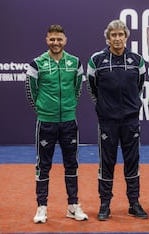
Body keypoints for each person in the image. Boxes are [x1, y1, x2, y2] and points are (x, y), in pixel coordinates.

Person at [25, 24, 88, 223]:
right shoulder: (36, 64)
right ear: (46, 40)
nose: (56, 43)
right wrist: (44, 110)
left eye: (59, 39)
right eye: (52, 39)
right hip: (46, 123)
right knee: (43, 166)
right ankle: (41, 207)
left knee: (72, 164)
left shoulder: (75, 63)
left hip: (69, 122)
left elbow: (78, 89)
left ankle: (72, 206)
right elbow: (31, 92)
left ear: (65, 40)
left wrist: (68, 108)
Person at [87, 19, 148, 220]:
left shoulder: (137, 60)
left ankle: (134, 203)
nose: (117, 38)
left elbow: (139, 86)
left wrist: (131, 107)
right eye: (113, 35)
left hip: (130, 120)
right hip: (108, 122)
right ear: (108, 38)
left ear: (126, 36)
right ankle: (105, 204)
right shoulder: (96, 60)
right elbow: (92, 88)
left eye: (121, 34)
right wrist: (103, 108)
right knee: (107, 163)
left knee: (133, 161)